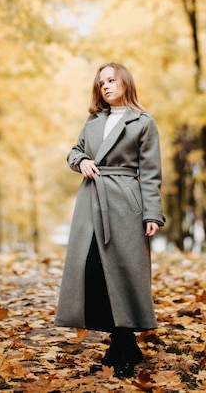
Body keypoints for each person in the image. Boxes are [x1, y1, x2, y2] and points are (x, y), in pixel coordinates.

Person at [55, 62, 165, 379]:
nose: (105, 86)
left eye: (112, 80)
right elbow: (74, 152)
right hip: (91, 203)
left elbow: (151, 173)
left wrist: (152, 214)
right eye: (101, 82)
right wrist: (83, 160)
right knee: (95, 272)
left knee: (124, 273)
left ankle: (124, 347)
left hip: (125, 203)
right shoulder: (93, 121)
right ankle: (121, 347)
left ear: (125, 82)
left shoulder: (143, 122)